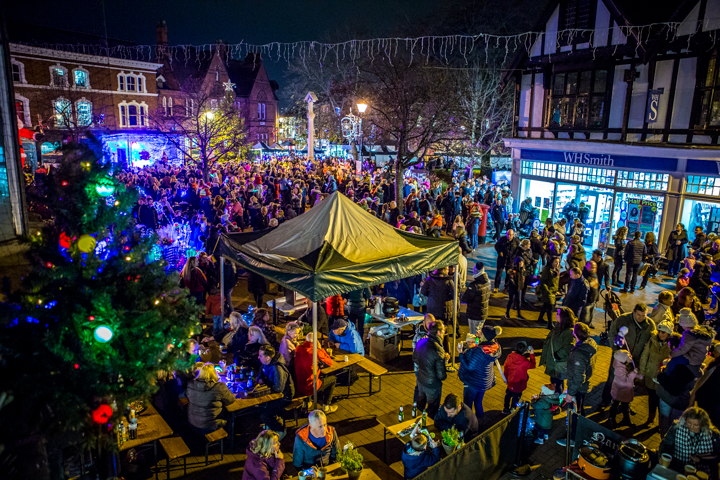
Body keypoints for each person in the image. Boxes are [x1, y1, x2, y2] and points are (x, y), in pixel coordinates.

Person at [599, 303, 655, 409]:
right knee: (612, 378)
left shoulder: (650, 324)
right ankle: (605, 400)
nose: (641, 318)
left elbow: (651, 340)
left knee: (629, 381)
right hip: (620, 357)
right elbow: (612, 333)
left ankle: (625, 403)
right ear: (633, 312)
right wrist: (616, 351)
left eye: (644, 315)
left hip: (635, 358)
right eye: (639, 315)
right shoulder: (623, 319)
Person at [556, 323, 597, 447]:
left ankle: (574, 438)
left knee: (574, 413)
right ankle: (581, 432)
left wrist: (570, 393)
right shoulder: (591, 344)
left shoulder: (579, 353)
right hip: (582, 387)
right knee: (580, 410)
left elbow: (579, 377)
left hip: (578, 388)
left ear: (575, 334)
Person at [658, 406, 720, 476]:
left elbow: (717, 456)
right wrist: (661, 457)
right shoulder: (676, 428)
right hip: (677, 469)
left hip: (702, 473)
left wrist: (701, 460)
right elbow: (666, 444)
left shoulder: (713, 435)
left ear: (703, 424)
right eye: (689, 423)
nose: (691, 427)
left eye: (696, 425)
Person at [458, 325, 502, 421]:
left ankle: (469, 422)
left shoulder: (479, 351)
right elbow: (479, 344)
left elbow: (469, 367)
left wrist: (461, 353)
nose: (478, 332)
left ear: (485, 336)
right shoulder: (493, 346)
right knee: (478, 402)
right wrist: (477, 339)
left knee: (468, 404)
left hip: (474, 381)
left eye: (481, 332)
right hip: (484, 380)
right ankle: (481, 421)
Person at [639, 321, 675, 425]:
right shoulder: (652, 341)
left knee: (662, 402)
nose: (661, 334)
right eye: (659, 331)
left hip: (662, 380)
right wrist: (642, 372)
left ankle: (661, 423)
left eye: (664, 332)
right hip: (650, 376)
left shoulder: (671, 345)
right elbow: (644, 356)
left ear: (669, 333)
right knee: (651, 399)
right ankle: (650, 418)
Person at [186, 363, 236, 435]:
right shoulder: (219, 387)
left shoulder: (191, 384)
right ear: (214, 373)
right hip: (209, 427)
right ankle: (229, 441)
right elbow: (231, 400)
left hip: (192, 423)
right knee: (231, 414)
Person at [257, 345, 295, 438]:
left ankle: (280, 430)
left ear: (268, 357)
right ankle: (272, 425)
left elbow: (278, 388)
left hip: (285, 397)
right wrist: (261, 378)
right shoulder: (266, 363)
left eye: (260, 356)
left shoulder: (277, 368)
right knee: (258, 408)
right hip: (276, 394)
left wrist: (265, 382)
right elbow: (260, 374)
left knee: (265, 415)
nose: (258, 357)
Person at [294, 333, 338, 414]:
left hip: (299, 385)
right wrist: (321, 349)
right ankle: (326, 406)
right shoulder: (316, 351)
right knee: (333, 379)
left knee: (306, 375)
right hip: (311, 386)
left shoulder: (298, 348)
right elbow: (329, 362)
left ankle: (305, 404)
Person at [413, 320, 448, 419]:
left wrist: (425, 366)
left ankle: (415, 426)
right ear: (438, 332)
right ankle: (427, 429)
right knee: (432, 410)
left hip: (421, 380)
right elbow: (442, 376)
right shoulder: (438, 350)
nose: (443, 333)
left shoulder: (421, 341)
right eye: (443, 331)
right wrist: (444, 362)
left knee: (420, 405)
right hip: (433, 385)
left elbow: (415, 358)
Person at [539, 307, 576, 393]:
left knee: (556, 384)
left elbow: (568, 347)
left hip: (558, 363)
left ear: (564, 317)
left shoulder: (569, 331)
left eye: (558, 314)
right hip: (554, 362)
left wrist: (557, 355)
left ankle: (556, 401)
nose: (556, 315)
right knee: (556, 382)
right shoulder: (558, 326)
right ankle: (557, 400)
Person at [607, 350, 642, 428]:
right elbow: (626, 381)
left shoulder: (623, 364)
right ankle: (612, 418)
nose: (631, 357)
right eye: (628, 356)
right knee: (616, 405)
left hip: (621, 391)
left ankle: (626, 419)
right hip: (620, 391)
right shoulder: (619, 369)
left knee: (624, 406)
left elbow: (629, 374)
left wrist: (637, 375)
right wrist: (633, 374)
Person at [691, 343, 720, 428]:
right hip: (709, 403)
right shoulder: (715, 365)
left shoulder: (717, 369)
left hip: (709, 404)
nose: (713, 353)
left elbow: (711, 387)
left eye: (716, 351)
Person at [502, 341, 536, 414]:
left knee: (508, 396)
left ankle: (506, 408)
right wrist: (532, 354)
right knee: (516, 398)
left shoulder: (510, 356)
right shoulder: (525, 361)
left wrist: (506, 377)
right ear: (524, 352)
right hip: (519, 384)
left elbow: (506, 367)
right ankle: (512, 409)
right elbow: (533, 365)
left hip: (510, 382)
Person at [462, 262, 491, 335]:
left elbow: (465, 298)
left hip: (474, 314)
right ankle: (477, 343)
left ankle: (475, 345)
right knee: (479, 332)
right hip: (483, 313)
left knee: (473, 334)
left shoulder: (474, 286)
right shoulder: (488, 281)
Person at [537, 257, 561, 329]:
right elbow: (543, 282)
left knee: (545, 305)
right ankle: (550, 324)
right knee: (550, 307)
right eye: (556, 262)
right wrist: (547, 291)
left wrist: (557, 290)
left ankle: (540, 319)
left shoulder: (556, 270)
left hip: (553, 291)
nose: (557, 264)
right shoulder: (547, 270)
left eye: (558, 262)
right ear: (551, 262)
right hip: (548, 292)